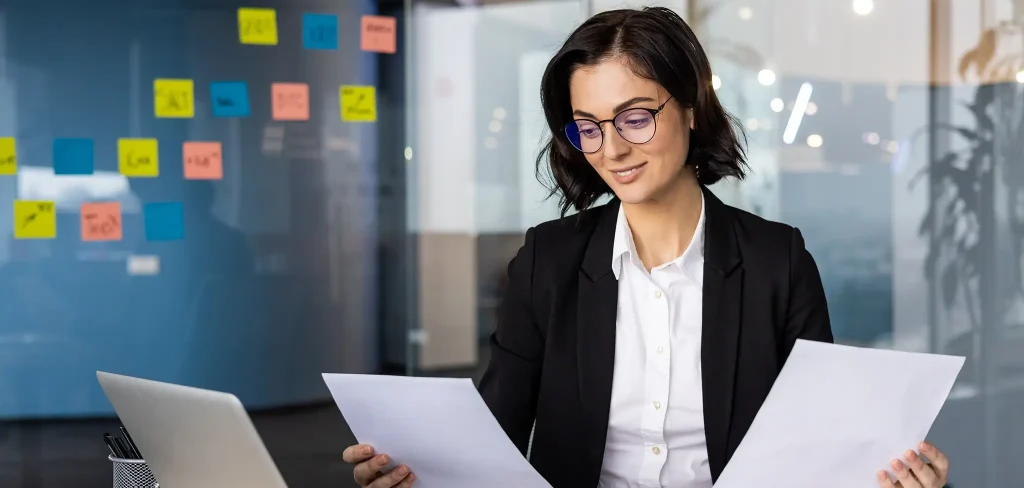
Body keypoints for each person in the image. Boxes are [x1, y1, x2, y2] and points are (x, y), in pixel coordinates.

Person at [342, 7, 951, 488]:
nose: (612, 148)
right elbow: (491, 438)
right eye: (589, 126)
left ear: (690, 108)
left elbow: (826, 442)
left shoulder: (777, 261)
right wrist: (417, 472)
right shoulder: (547, 262)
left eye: (635, 116)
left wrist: (895, 477)